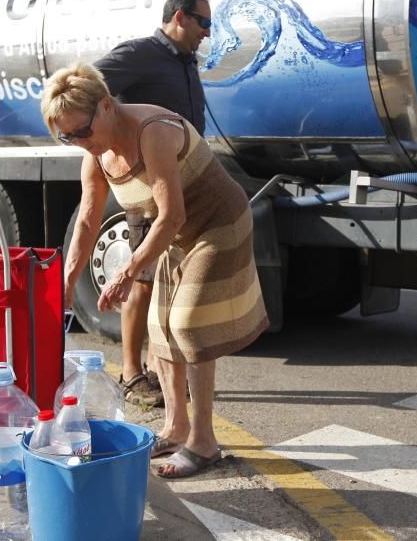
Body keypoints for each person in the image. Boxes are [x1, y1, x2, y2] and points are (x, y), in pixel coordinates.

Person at [42, 63, 268, 478]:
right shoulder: (97, 153)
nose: (78, 143)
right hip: (180, 235)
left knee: (187, 324)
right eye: (66, 136)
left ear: (106, 107)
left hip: (218, 223)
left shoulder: (154, 132)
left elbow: (171, 216)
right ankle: (176, 426)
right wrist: (68, 279)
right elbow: (88, 221)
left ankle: (203, 442)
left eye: (81, 131)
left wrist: (127, 271)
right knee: (159, 328)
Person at [84, 0, 212, 406]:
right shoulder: (142, 54)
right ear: (180, 17)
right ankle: (131, 372)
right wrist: (113, 140)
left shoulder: (184, 60)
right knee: (142, 279)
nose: (207, 34)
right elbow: (91, 87)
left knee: (169, 282)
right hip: (148, 183)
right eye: (203, 23)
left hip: (182, 181)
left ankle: (160, 369)